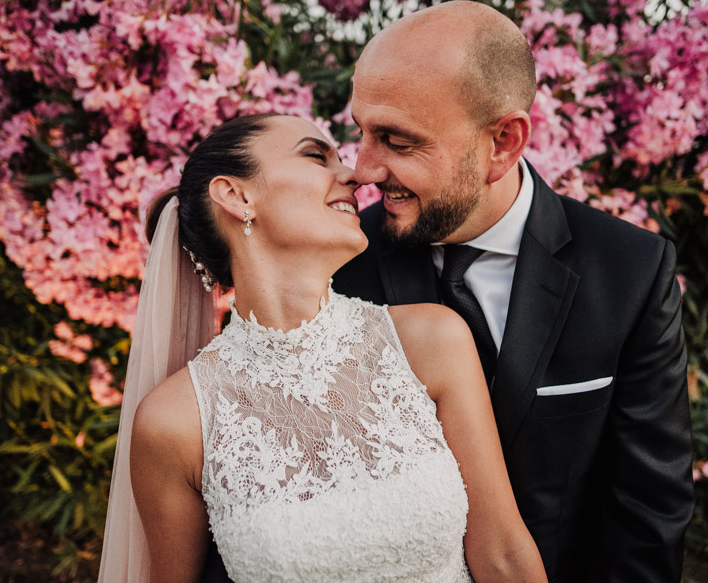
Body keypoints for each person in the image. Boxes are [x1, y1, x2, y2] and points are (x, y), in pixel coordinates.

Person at [330, 0, 696, 583]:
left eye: (397, 141)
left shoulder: (630, 270)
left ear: (503, 141)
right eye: (362, 132)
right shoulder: (337, 267)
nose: (364, 170)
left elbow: (649, 507)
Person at [97, 113, 549, 583]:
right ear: (236, 195)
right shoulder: (174, 422)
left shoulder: (431, 342)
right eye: (315, 156)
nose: (354, 174)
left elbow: (503, 555)